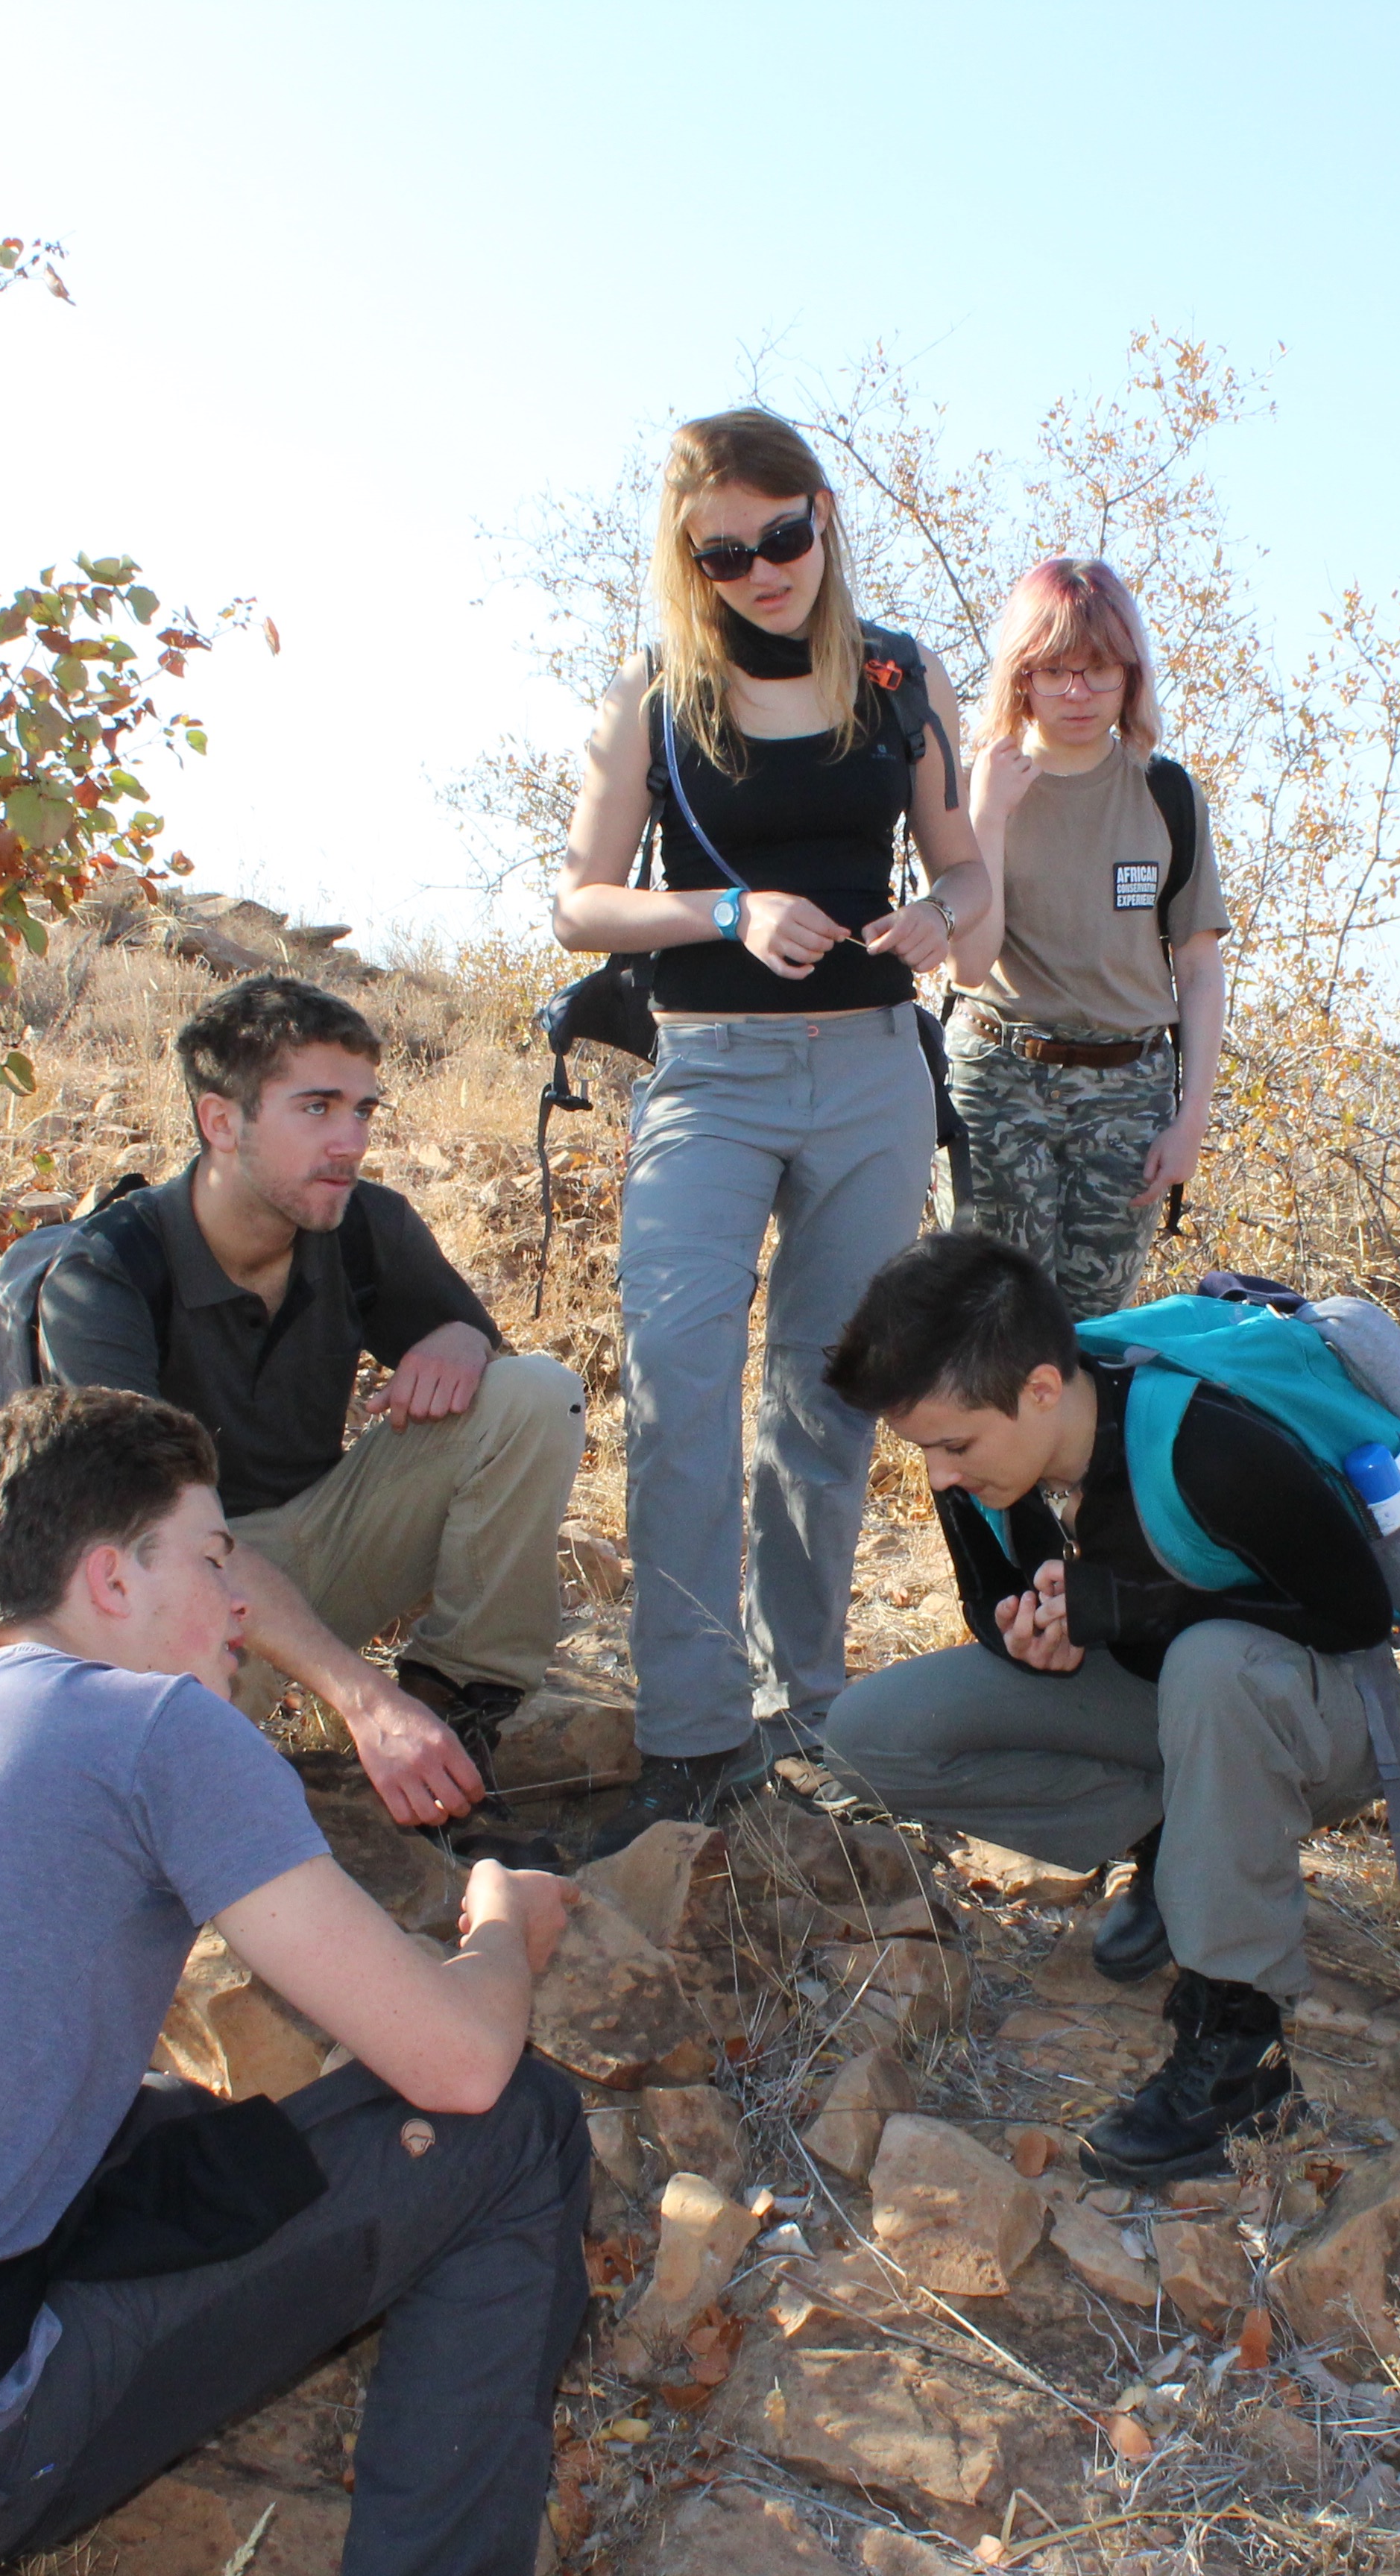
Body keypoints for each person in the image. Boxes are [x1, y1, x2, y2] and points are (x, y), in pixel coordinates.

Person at [0, 1386, 589, 2576]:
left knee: (180, 2132)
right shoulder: (161, 1732)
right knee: (519, 2129)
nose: (240, 1601)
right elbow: (457, 2064)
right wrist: (500, 1932)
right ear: (113, 1581)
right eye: (211, 1557)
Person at [549, 406, 988, 1858]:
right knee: (679, 1369)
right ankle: (689, 1736)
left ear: (822, 517)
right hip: (712, 1069)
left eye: (784, 535)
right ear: (692, 562)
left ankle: (805, 1713)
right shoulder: (659, 695)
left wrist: (941, 916)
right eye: (724, 554)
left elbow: (973, 871)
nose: (763, 572)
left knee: (826, 1396)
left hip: (871, 1071)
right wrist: (726, 910)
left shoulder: (897, 673)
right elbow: (580, 903)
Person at [817, 1231, 1399, 2183]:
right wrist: (1030, 1631)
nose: (940, 1476)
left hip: (1329, 1730)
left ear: (1043, 1388)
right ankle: (1186, 1843)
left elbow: (1353, 1614)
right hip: (1179, 1716)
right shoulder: (987, 1460)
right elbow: (988, 1603)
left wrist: (1135, 1606)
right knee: (870, 1737)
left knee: (1213, 1662)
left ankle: (1238, 2043)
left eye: (954, 1446)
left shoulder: (1205, 1441)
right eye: (925, 1449)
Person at [37, 974, 587, 1854]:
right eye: (318, 1108)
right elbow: (154, 1535)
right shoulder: (105, 1277)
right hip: (178, 1584)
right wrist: (362, 1699)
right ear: (223, 1122)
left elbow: (479, 1351)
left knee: (534, 1390)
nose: (351, 1141)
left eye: (364, 1110)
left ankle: (460, 1708)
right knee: (157, 1799)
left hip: (314, 1539)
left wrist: (460, 1340)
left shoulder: (361, 1225)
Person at [947, 556, 1228, 1320]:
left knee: (1092, 1332)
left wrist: (1190, 1119)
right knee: (995, 1319)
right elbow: (970, 963)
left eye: (1100, 671)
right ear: (1022, 676)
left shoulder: (1165, 790)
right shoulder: (980, 787)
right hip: (1003, 1076)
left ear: (1130, 677)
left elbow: (1199, 967)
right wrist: (991, 818)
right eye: (1056, 671)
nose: (1078, 693)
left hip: (1127, 1089)